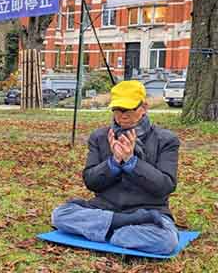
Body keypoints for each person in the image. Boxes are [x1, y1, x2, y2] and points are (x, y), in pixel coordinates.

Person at [51, 80, 180, 255]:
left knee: (167, 241)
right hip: (105, 208)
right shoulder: (99, 137)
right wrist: (113, 162)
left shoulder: (166, 140)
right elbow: (91, 182)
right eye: (117, 110)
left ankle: (106, 231)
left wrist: (130, 162)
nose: (122, 116)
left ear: (144, 107)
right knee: (60, 215)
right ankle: (119, 229)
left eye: (128, 110)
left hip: (149, 212)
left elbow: (165, 186)